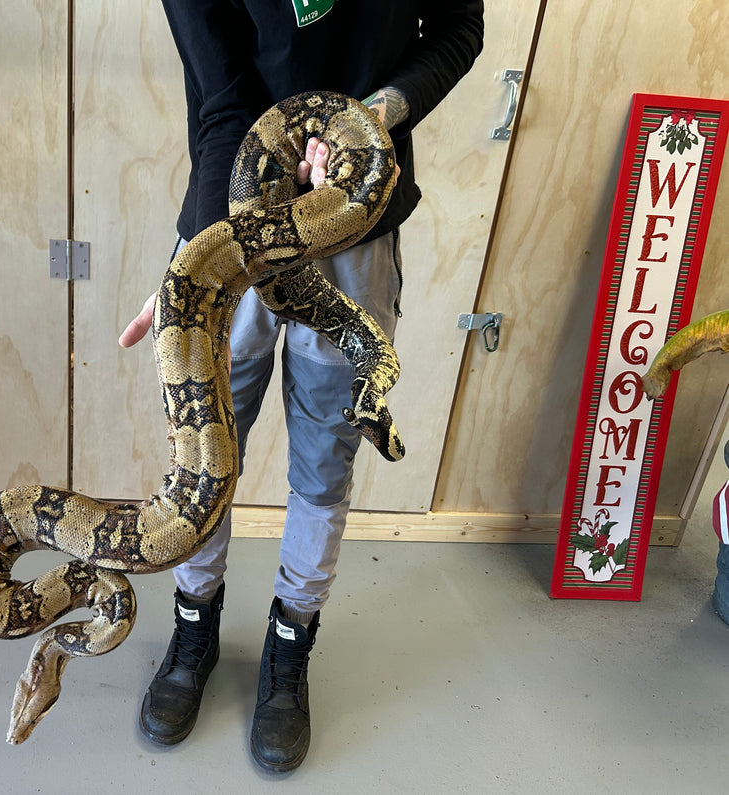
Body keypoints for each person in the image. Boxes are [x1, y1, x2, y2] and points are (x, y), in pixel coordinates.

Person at [119, 0, 484, 772]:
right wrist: (200, 259)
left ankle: (291, 644)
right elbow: (222, 97)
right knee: (203, 460)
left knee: (325, 455)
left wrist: (371, 118)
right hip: (234, 223)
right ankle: (196, 625)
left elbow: (457, 28)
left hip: (358, 221)